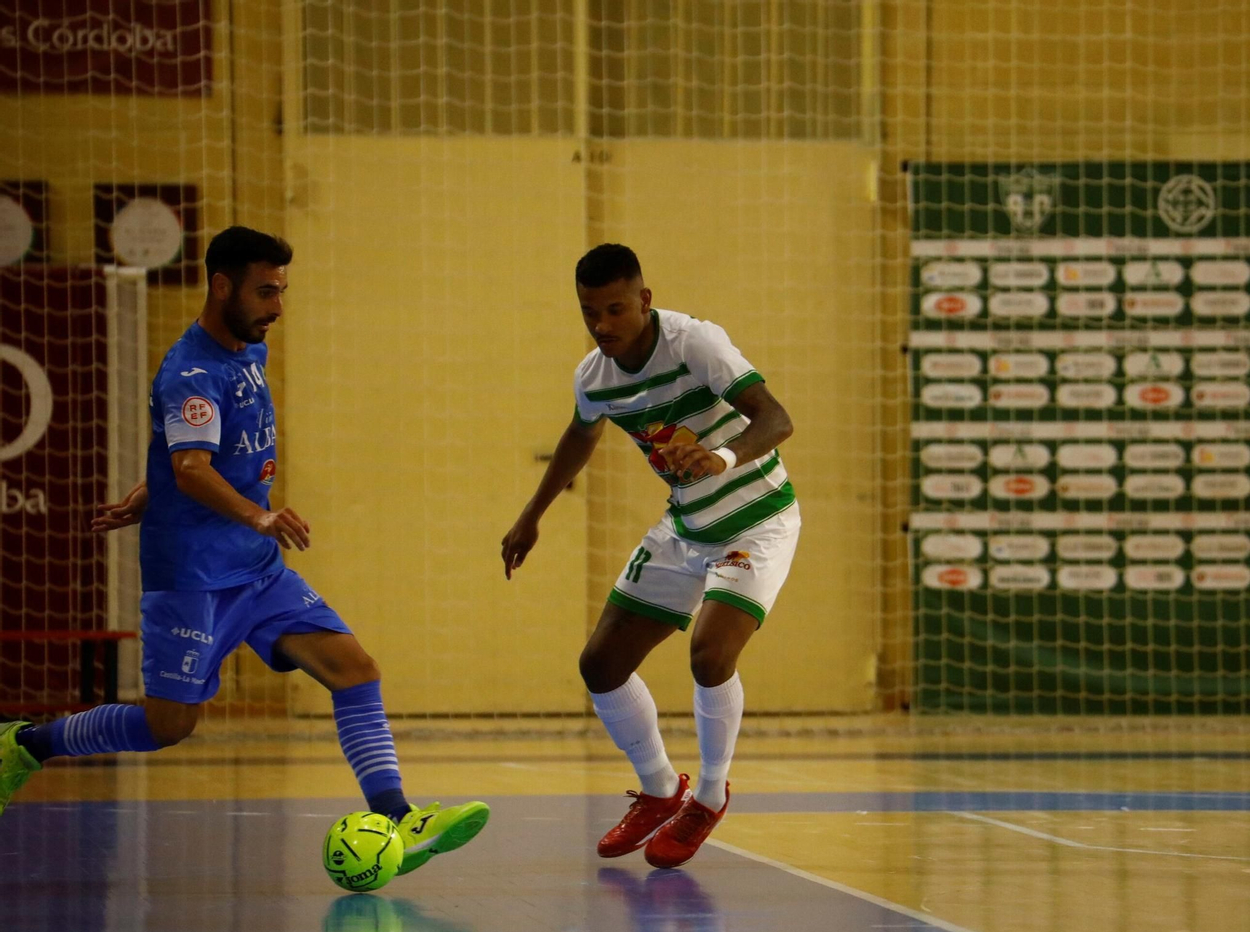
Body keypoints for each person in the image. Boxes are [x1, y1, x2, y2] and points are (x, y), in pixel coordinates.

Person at [0, 227, 489, 878]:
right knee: (169, 725)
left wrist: (148, 492)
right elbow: (194, 468)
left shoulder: (246, 351)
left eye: (282, 291)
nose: (277, 307)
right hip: (192, 578)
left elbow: (200, 457)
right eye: (265, 292)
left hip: (257, 571)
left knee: (355, 669)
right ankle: (26, 743)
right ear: (222, 285)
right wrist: (255, 513)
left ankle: (399, 818)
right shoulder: (191, 372)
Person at [501, 243, 797, 869]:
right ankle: (662, 790)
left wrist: (720, 457)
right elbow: (579, 435)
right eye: (589, 313)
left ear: (644, 300)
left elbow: (776, 419)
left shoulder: (696, 343)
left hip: (757, 522)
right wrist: (532, 514)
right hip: (686, 526)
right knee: (600, 664)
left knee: (710, 653)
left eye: (615, 309)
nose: (603, 325)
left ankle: (710, 796)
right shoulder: (594, 376)